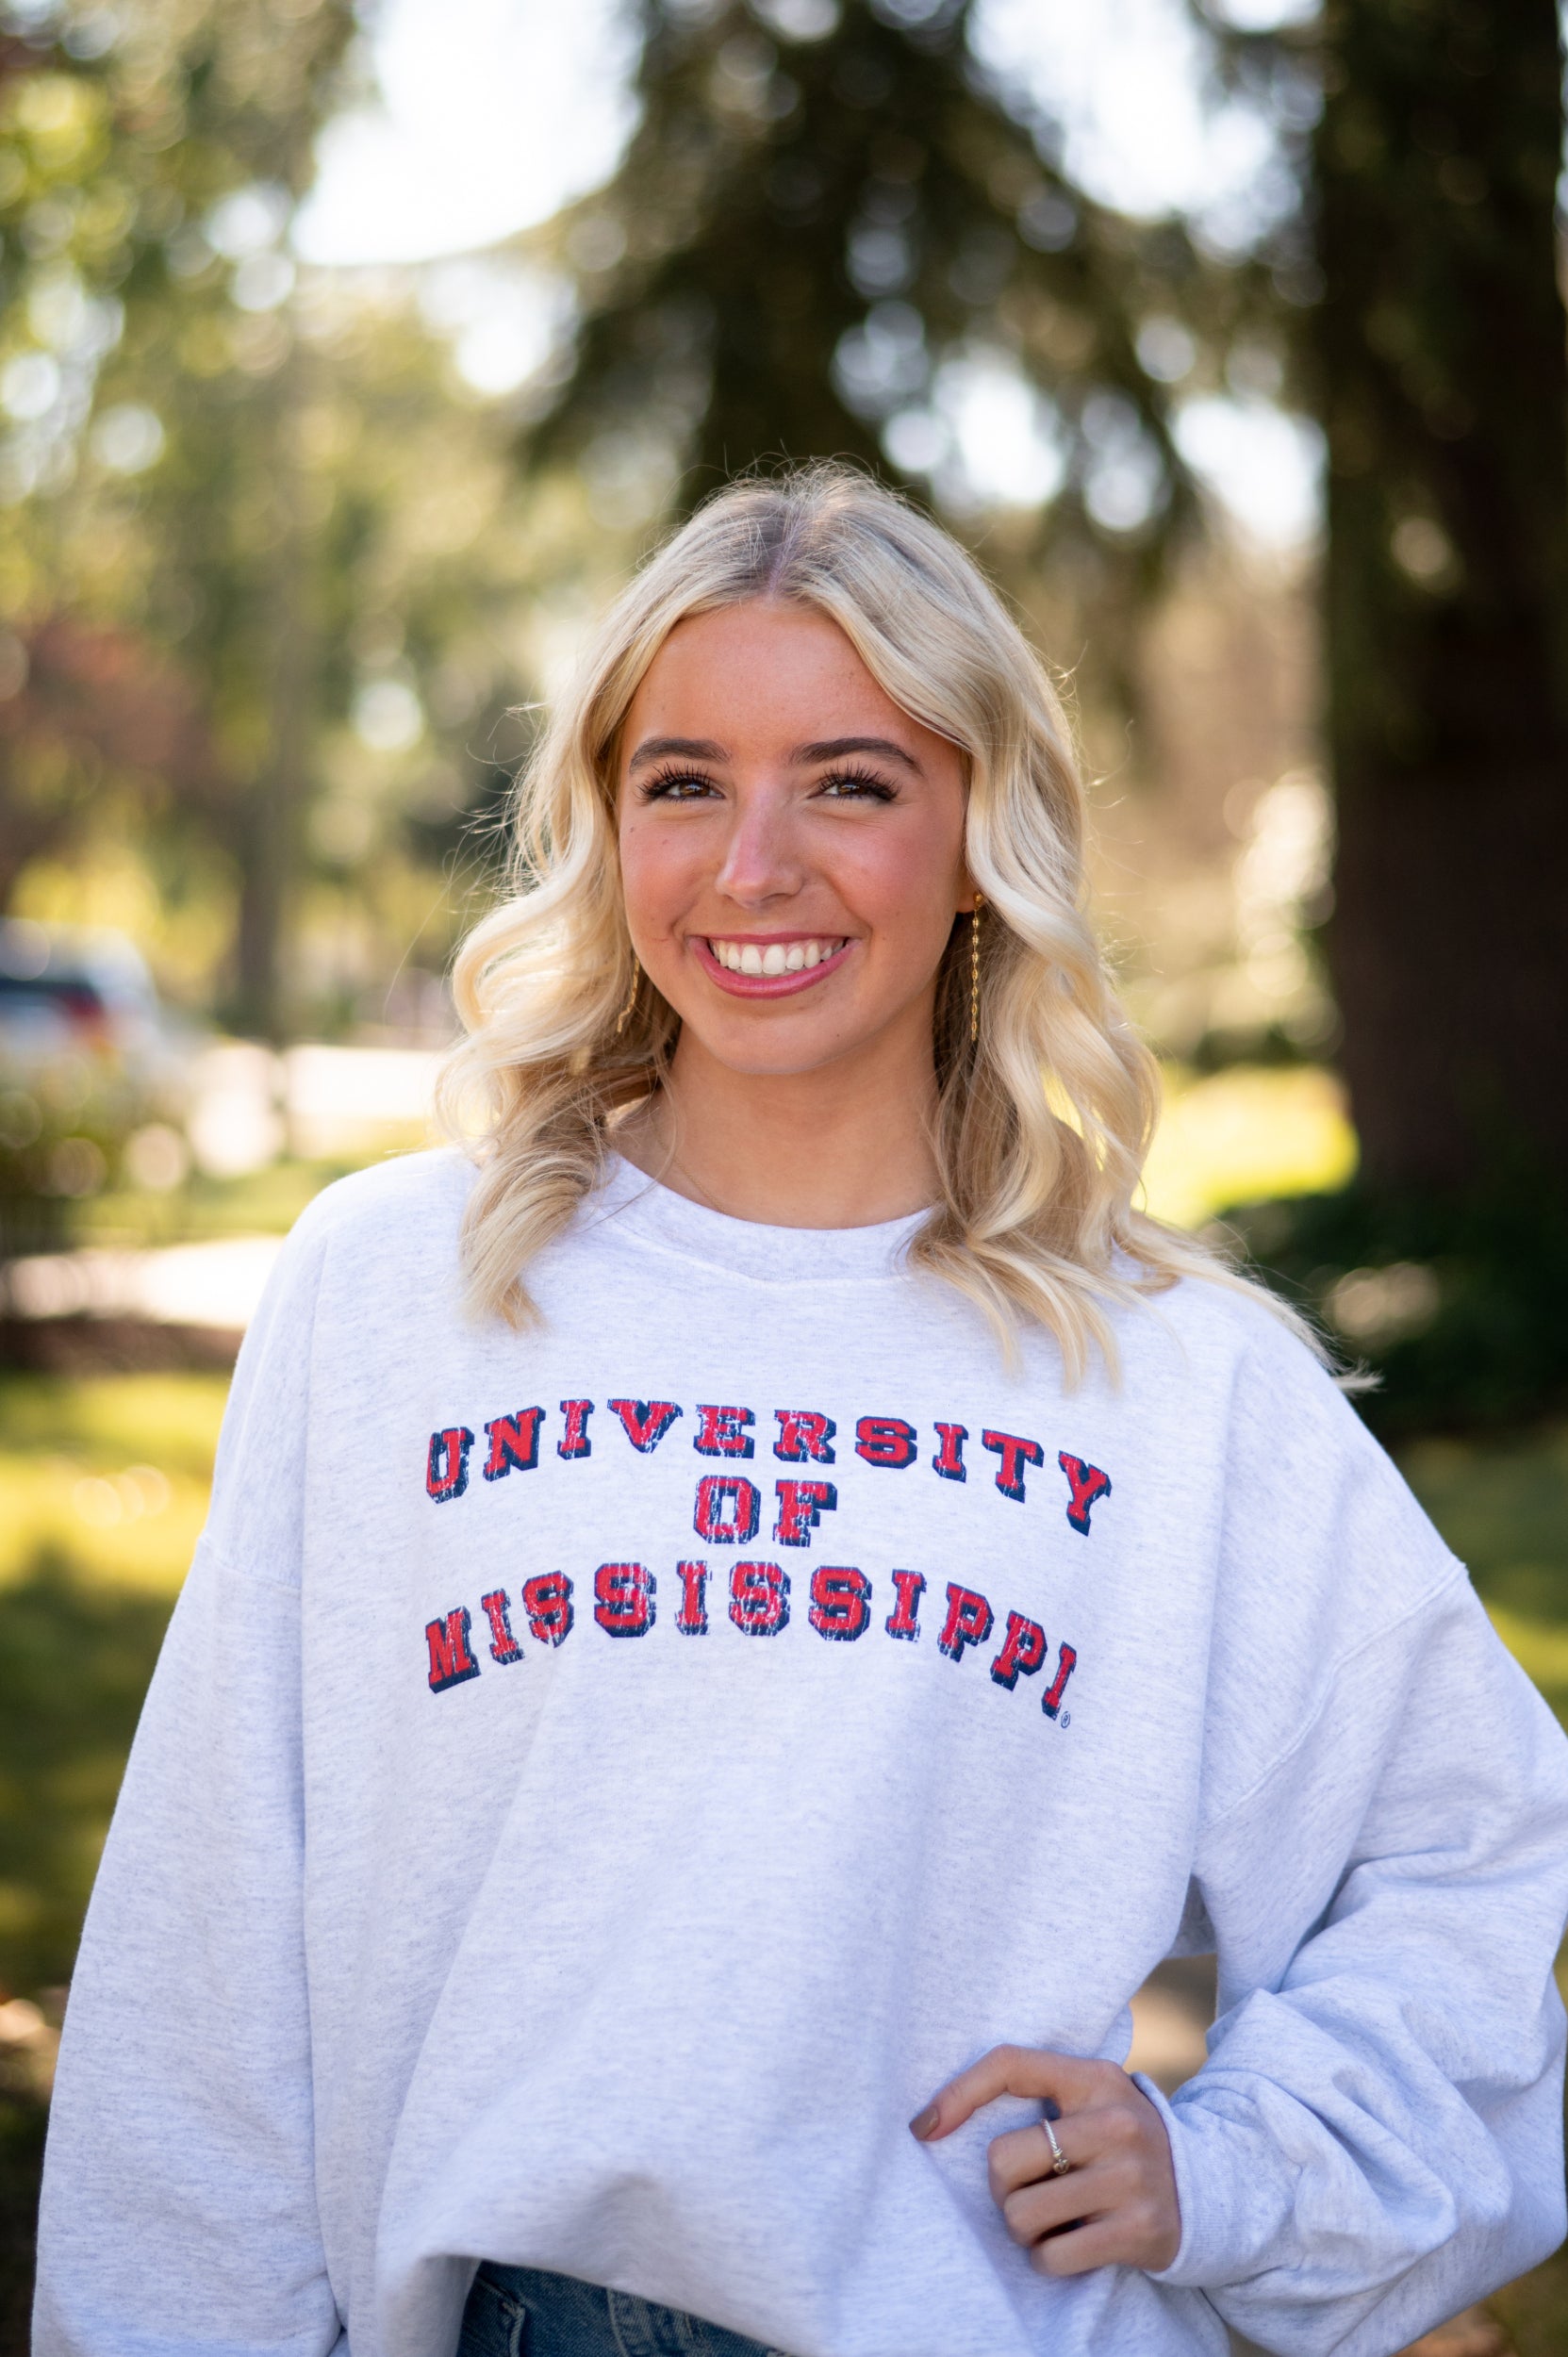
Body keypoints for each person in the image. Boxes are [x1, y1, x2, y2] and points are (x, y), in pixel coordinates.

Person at [33, 466, 1568, 2357]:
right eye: (684, 782)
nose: (753, 865)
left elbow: (1465, 1852)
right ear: (608, 821)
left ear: (978, 833)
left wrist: (1240, 2165)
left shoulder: (1176, 1379)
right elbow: (209, 1948)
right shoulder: (400, 1292)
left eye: (849, 782)